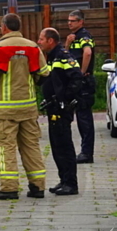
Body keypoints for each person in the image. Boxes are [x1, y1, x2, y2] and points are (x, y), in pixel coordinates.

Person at [0, 13, 51, 200]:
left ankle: (9, 188)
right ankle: (38, 187)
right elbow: (44, 74)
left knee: (6, 148)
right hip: (28, 108)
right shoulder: (33, 47)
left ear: (4, 27)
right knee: (31, 146)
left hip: (4, 110)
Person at [37, 28, 82, 196]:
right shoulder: (51, 56)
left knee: (64, 146)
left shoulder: (63, 55)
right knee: (56, 146)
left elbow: (76, 77)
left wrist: (65, 99)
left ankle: (71, 183)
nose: (39, 41)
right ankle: (63, 180)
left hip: (62, 109)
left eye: (41, 39)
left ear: (50, 40)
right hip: (53, 108)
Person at [65, 9, 96, 163]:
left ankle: (87, 153)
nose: (69, 23)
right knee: (80, 117)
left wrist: (82, 73)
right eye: (68, 20)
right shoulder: (74, 37)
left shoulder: (84, 35)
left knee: (84, 119)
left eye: (73, 20)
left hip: (83, 82)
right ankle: (84, 151)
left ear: (81, 22)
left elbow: (88, 53)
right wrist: (68, 43)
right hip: (76, 83)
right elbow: (66, 55)